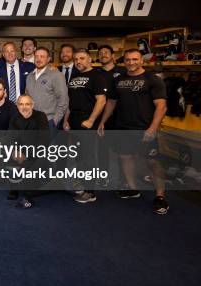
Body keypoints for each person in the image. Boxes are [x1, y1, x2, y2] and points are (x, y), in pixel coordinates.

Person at [98, 49, 169, 215]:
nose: (131, 63)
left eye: (135, 59)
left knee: (151, 161)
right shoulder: (119, 79)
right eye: (128, 60)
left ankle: (160, 196)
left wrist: (152, 128)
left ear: (141, 61)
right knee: (125, 157)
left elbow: (161, 106)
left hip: (144, 128)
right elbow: (111, 102)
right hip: (123, 127)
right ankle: (132, 188)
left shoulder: (152, 80)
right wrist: (103, 121)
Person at [63, 49, 107, 204]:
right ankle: (82, 184)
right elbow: (70, 101)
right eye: (76, 59)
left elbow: (101, 100)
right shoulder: (75, 76)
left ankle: (90, 192)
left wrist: (91, 120)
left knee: (88, 157)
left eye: (82, 58)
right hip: (74, 120)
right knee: (78, 156)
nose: (78, 61)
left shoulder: (97, 76)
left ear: (90, 60)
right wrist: (66, 120)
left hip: (86, 122)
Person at [8, 94, 50, 208]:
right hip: (20, 151)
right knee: (7, 156)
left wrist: (26, 155)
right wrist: (14, 151)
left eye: (27, 104)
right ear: (17, 105)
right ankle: (14, 188)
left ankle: (28, 198)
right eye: (21, 104)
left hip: (38, 153)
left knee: (31, 169)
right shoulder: (14, 117)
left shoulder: (40, 117)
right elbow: (11, 137)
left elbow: (43, 142)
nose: (24, 107)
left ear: (32, 105)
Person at [96, 45, 124, 186]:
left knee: (122, 150)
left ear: (113, 55)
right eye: (100, 53)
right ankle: (103, 177)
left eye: (106, 53)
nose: (103, 55)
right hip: (103, 117)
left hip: (121, 116)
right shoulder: (96, 73)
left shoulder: (123, 72)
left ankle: (123, 180)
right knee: (103, 148)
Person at [25, 47, 68, 131]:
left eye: (42, 56)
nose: (39, 59)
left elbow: (64, 100)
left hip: (49, 121)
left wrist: (55, 121)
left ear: (48, 59)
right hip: (31, 121)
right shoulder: (29, 76)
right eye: (37, 56)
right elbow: (27, 99)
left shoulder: (57, 75)